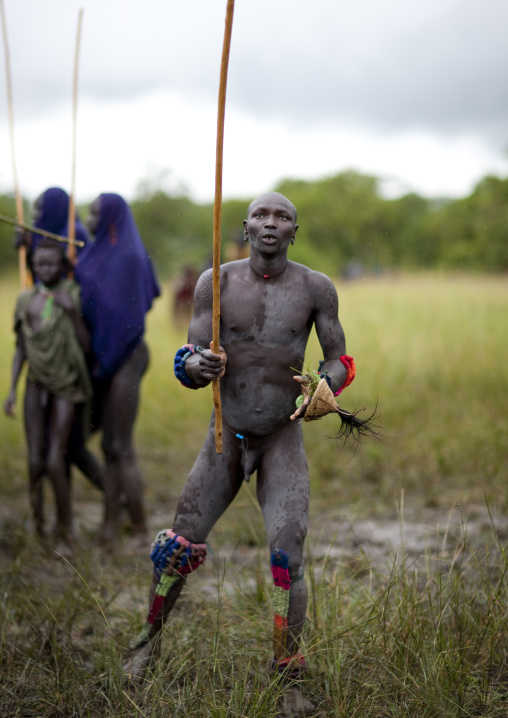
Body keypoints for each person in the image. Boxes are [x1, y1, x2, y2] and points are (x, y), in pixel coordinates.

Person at [125, 192, 357, 713]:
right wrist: (195, 367)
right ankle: (145, 646)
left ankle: (288, 674)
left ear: (294, 231)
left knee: (286, 555)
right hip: (224, 435)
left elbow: (338, 358)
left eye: (283, 217)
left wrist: (327, 384)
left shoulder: (316, 288)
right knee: (177, 546)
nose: (271, 223)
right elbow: (187, 357)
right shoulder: (217, 281)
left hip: (281, 436)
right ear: (245, 227)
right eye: (261, 215)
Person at [75, 193, 161, 545]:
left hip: (126, 355)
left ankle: (139, 529)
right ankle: (110, 525)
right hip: (102, 357)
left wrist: (110, 347)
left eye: (95, 214)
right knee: (108, 446)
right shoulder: (93, 252)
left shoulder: (130, 257)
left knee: (120, 445)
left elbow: (130, 312)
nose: (89, 220)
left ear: (111, 216)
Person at [4, 240, 92, 552]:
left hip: (66, 384)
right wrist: (12, 389)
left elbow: (84, 345)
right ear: (32, 267)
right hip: (35, 383)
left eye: (52, 264)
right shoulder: (25, 299)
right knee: (34, 459)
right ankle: (37, 521)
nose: (45, 269)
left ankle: (65, 528)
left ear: (63, 267)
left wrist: (72, 313)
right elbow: (21, 348)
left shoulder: (73, 295)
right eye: (39, 264)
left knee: (56, 459)